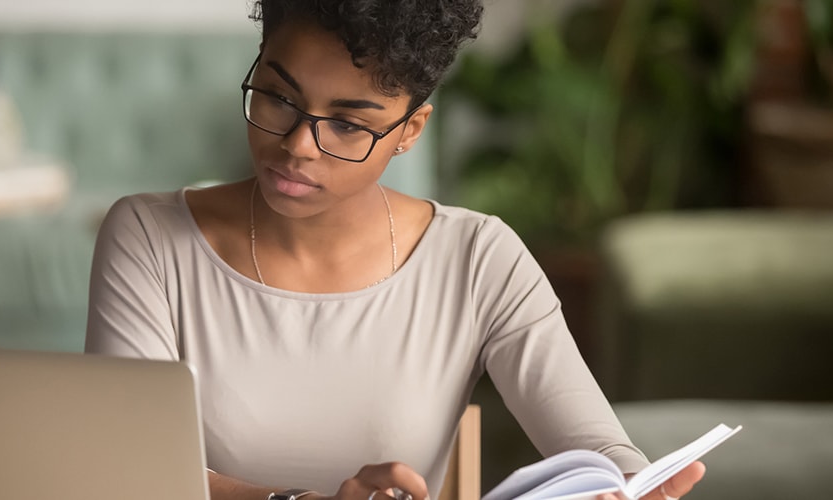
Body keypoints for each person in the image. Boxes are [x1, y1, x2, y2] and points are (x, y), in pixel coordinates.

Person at [85, 1, 706, 499]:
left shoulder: (477, 259)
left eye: (349, 124)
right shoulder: (149, 238)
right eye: (278, 97)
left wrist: (629, 484)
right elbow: (123, 470)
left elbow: (598, 448)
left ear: (410, 130)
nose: (300, 145)